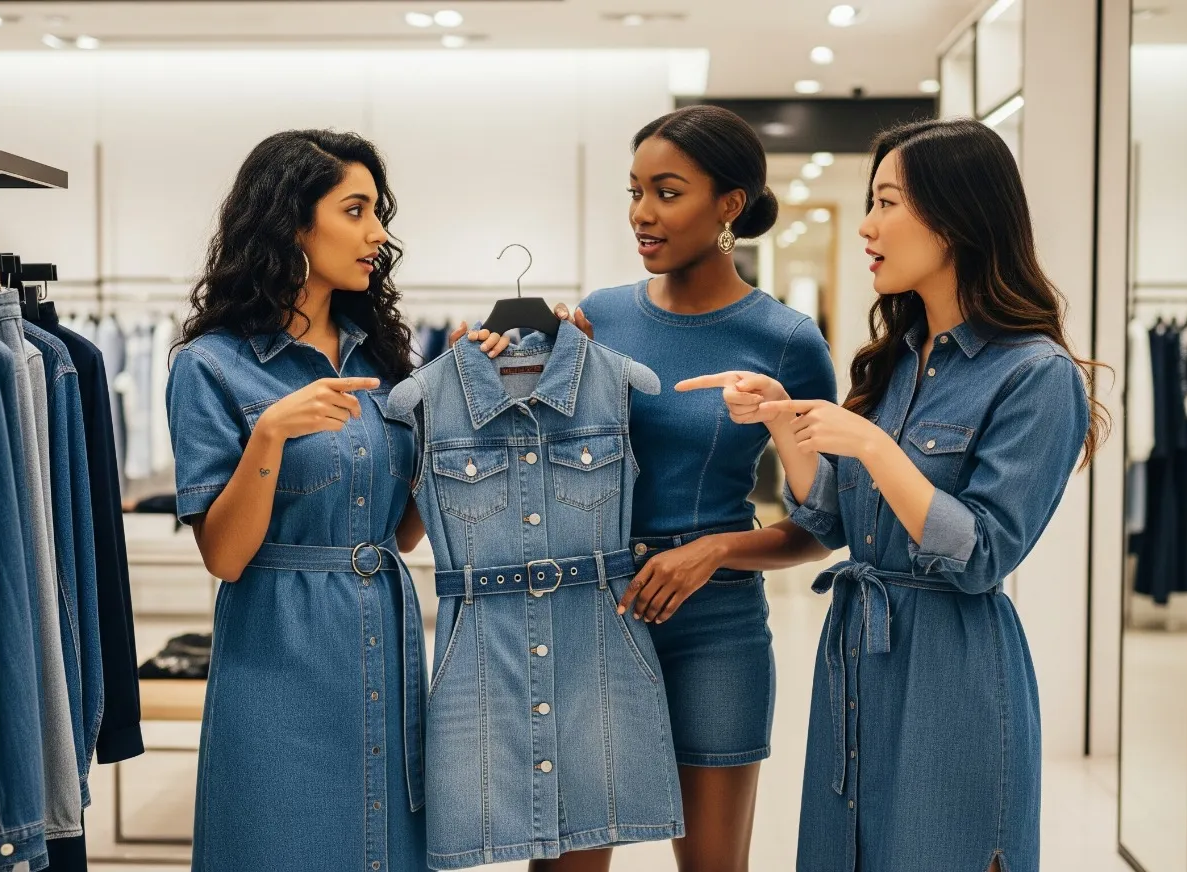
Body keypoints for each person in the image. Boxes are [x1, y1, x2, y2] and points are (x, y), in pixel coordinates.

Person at [678, 117, 1109, 872]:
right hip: (856, 653)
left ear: (958, 216)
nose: (868, 227)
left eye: (887, 203)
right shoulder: (901, 359)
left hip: (953, 667)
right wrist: (786, 419)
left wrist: (871, 444)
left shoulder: (1037, 376)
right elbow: (831, 518)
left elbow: (982, 555)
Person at [462, 104, 838, 872]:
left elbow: (824, 522)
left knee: (711, 866)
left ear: (729, 205)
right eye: (634, 191)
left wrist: (715, 551)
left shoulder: (787, 340)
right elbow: (545, 467)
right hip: (588, 607)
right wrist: (518, 380)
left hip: (715, 626)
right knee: (565, 863)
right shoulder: (598, 316)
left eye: (667, 192)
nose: (642, 213)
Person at [166, 130, 429, 871]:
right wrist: (269, 438)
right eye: (356, 210)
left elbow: (404, 534)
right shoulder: (210, 367)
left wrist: (456, 416)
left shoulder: (380, 359)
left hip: (385, 633)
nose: (379, 234)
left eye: (379, 212)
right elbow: (225, 555)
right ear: (290, 222)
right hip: (278, 652)